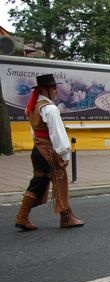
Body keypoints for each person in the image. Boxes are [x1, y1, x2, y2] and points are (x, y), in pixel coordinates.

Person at [15, 73, 84, 231]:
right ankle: (66, 218)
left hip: (37, 149)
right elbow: (57, 133)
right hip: (49, 150)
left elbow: (35, 131)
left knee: (38, 183)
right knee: (60, 181)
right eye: (53, 88)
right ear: (44, 89)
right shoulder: (50, 108)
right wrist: (65, 154)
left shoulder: (33, 106)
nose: (56, 91)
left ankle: (22, 216)